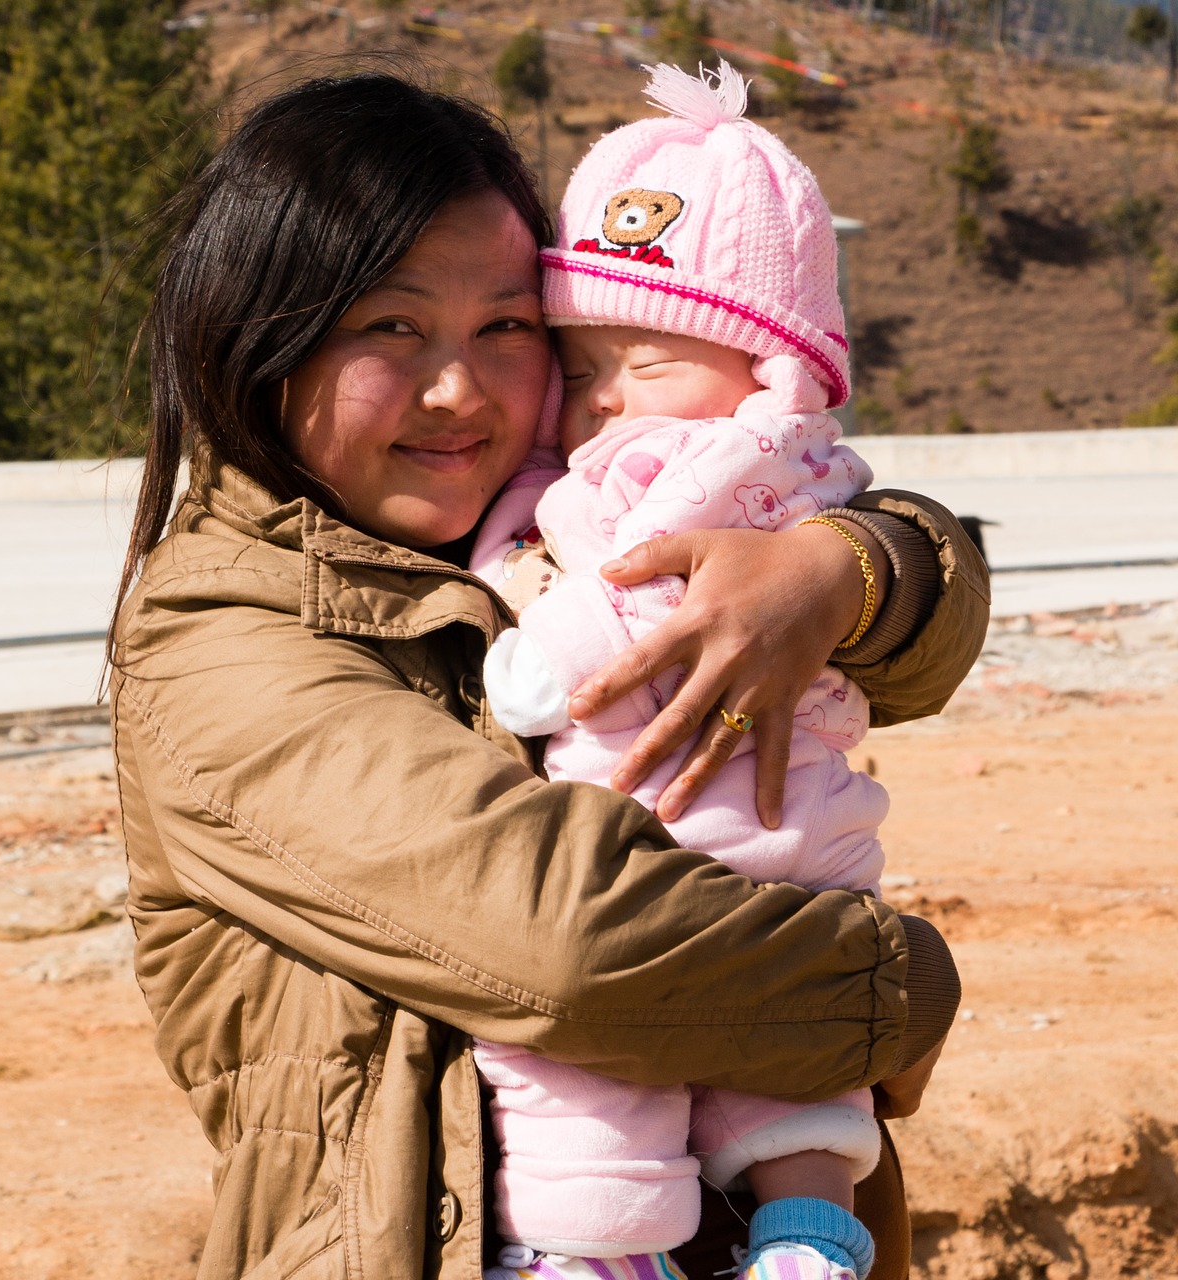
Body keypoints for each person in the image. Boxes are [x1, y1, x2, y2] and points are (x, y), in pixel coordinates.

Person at [108, 68, 988, 1280]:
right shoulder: (221, 634)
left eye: (508, 328)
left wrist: (846, 566)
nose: (459, 388)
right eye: (389, 325)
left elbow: (923, 615)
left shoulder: (552, 530)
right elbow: (564, 947)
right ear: (261, 338)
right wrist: (896, 988)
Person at [470, 62, 904, 1280]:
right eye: (585, 359)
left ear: (764, 362)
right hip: (787, 839)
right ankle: (809, 1229)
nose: (607, 397)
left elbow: (633, 608)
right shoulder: (794, 470)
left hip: (688, 826)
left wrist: (534, 662)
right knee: (791, 1067)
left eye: (648, 360)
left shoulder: (698, 467)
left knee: (577, 1065)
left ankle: (593, 1249)